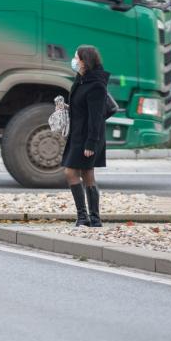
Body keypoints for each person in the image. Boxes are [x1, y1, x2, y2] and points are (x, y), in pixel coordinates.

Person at [61, 45, 110, 227]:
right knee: (87, 174)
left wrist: (91, 143)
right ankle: (92, 219)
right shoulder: (81, 79)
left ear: (84, 61)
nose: (73, 61)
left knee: (71, 172)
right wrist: (66, 108)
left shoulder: (96, 85)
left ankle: (85, 217)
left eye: (76, 57)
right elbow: (81, 107)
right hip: (77, 134)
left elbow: (96, 117)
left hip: (88, 137)